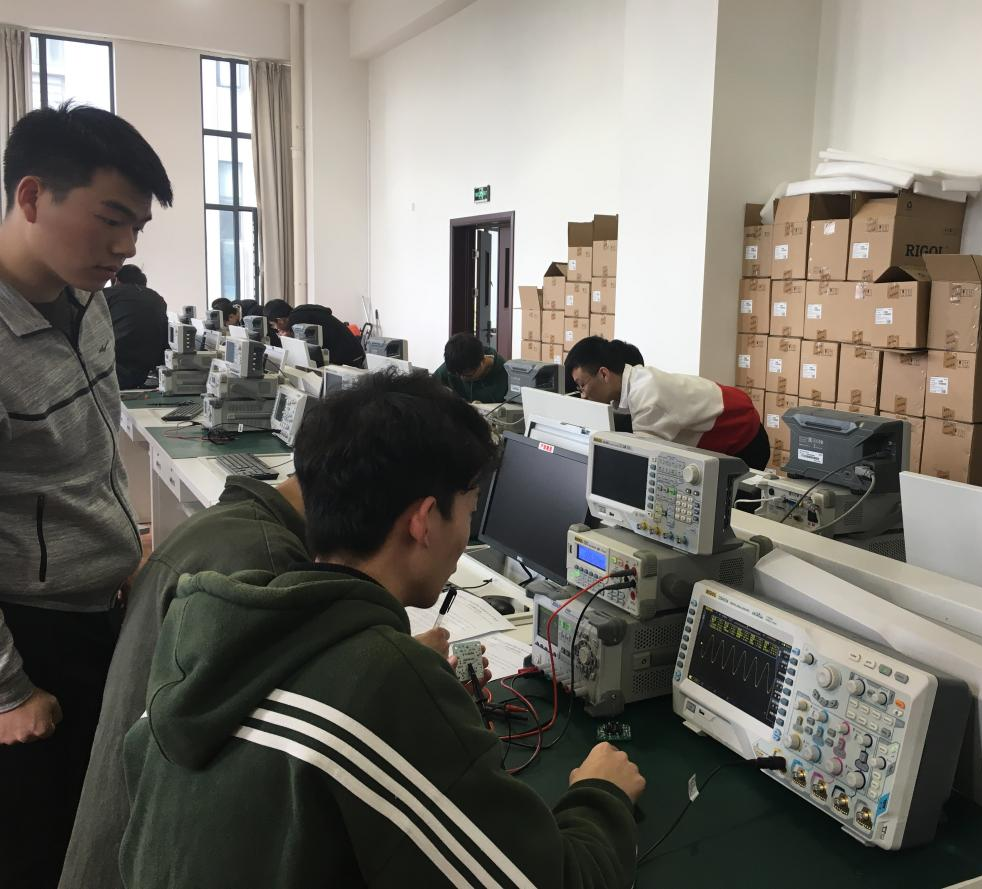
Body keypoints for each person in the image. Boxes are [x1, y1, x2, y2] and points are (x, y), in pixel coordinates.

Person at [121, 372, 644, 888]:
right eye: (468, 510)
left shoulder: (211, 628)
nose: (466, 533)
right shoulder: (382, 683)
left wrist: (397, 674)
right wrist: (602, 793)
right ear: (423, 521)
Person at [59, 469, 457, 889]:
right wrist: (395, 666)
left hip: (129, 835)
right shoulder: (267, 568)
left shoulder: (230, 525)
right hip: (138, 852)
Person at [0, 103, 172, 889]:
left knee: (103, 821)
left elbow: (91, 450)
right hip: (33, 635)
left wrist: (123, 541)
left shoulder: (86, 296)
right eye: (111, 219)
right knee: (40, 845)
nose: (126, 245)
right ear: (32, 196)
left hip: (103, 606)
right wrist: (9, 691)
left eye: (137, 225)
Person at [566, 335, 770, 469]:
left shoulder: (647, 397)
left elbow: (644, 462)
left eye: (582, 385)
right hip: (724, 425)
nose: (582, 395)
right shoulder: (633, 382)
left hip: (745, 436)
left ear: (604, 374)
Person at [102, 263, 167, 389]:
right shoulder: (157, 298)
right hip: (146, 370)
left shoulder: (106, 295)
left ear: (117, 280)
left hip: (112, 369)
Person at [264, 298, 365, 367]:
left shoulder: (297, 319)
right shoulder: (300, 314)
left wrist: (289, 339)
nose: (275, 329)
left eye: (273, 325)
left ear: (280, 320)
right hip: (354, 353)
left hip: (349, 360)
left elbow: (305, 354)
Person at [433, 331, 510, 403]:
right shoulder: (454, 366)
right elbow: (430, 389)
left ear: (482, 361)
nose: (462, 378)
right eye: (457, 375)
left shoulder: (505, 375)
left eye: (468, 375)